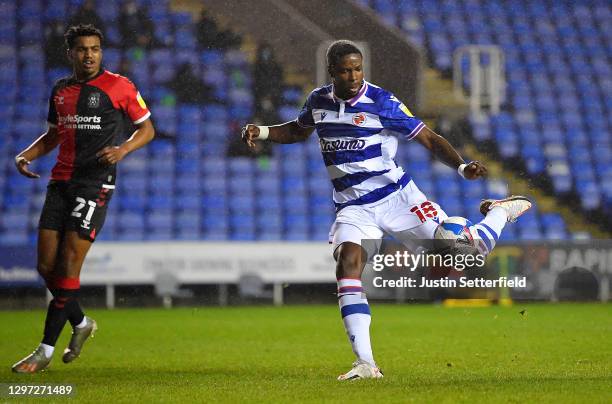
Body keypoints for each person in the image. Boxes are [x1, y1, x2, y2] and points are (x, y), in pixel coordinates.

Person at [242, 40, 532, 380]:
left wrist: (462, 167)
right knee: (347, 267)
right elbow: (296, 129)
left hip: (398, 199)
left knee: (458, 260)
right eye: (345, 70)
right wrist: (261, 131)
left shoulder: (381, 101)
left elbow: (428, 137)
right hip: (353, 206)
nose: (353, 76)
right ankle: (366, 364)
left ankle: (500, 212)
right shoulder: (318, 100)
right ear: (332, 71)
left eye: (358, 68)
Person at [11, 24, 155, 373]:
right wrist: (25, 155)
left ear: (101, 52)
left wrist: (122, 150)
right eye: (82, 49)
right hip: (60, 183)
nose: (88, 54)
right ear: (70, 53)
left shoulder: (120, 86)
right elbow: (53, 135)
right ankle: (81, 323)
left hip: (95, 184)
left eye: (94, 49)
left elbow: (147, 129)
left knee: (69, 265)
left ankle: (44, 350)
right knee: (46, 267)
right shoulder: (60, 89)